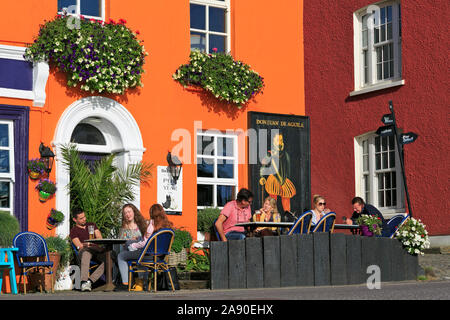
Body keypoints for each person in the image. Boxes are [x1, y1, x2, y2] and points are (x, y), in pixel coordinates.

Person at [115, 204, 173, 291]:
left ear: (151, 213)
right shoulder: (167, 227)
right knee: (129, 245)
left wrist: (133, 245)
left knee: (121, 255)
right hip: (160, 257)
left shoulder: (151, 225)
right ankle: (139, 282)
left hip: (148, 255)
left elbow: (146, 243)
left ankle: (125, 284)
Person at [69, 208, 106, 292]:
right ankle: (84, 282)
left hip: (96, 250)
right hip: (84, 251)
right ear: (75, 219)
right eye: (81, 218)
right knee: (86, 253)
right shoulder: (74, 231)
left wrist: (90, 244)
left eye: (84, 217)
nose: (84, 219)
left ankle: (90, 280)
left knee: (111, 254)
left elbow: (100, 238)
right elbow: (79, 246)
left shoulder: (91, 225)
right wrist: (87, 245)